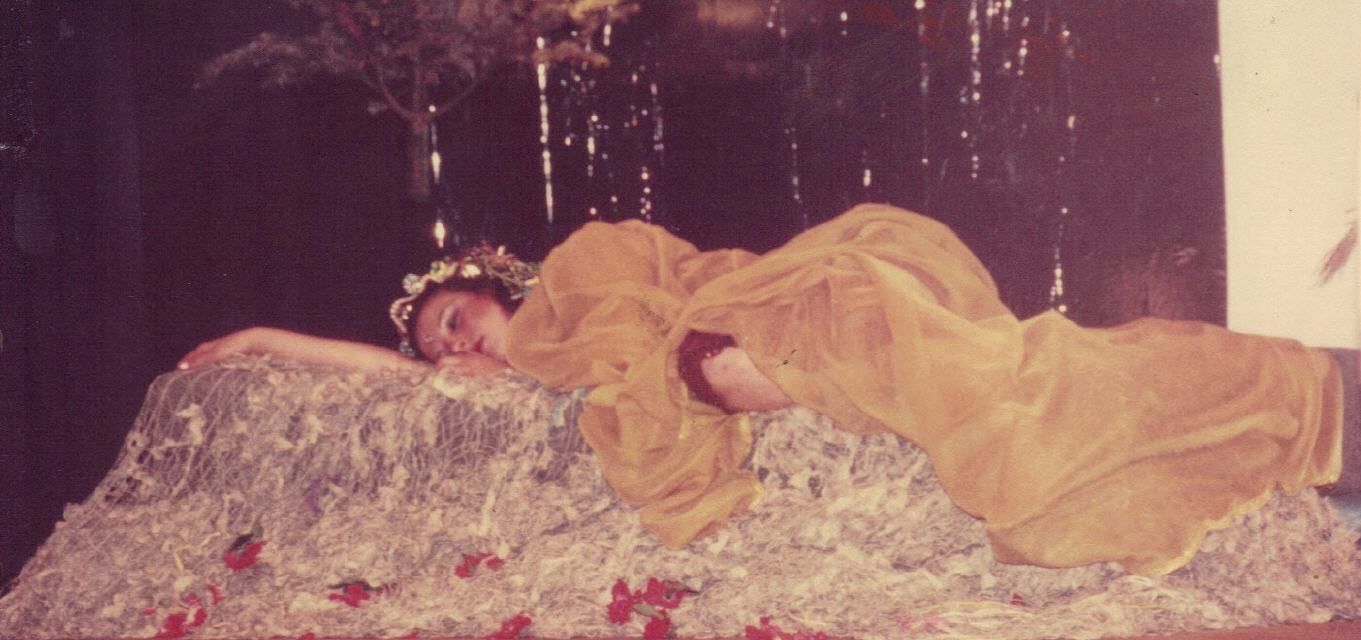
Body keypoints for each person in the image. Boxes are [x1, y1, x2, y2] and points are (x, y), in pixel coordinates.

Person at [180, 203, 1344, 576]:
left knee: (1002, 393)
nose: (453, 350)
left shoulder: (580, 266)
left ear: (491, 285)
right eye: (439, 350)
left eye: (454, 319)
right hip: (723, 357)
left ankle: (1309, 393)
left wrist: (667, 364)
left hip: (752, 309)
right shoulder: (514, 374)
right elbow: (388, 373)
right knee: (1011, 428)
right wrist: (258, 336)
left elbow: (654, 290)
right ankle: (1297, 406)